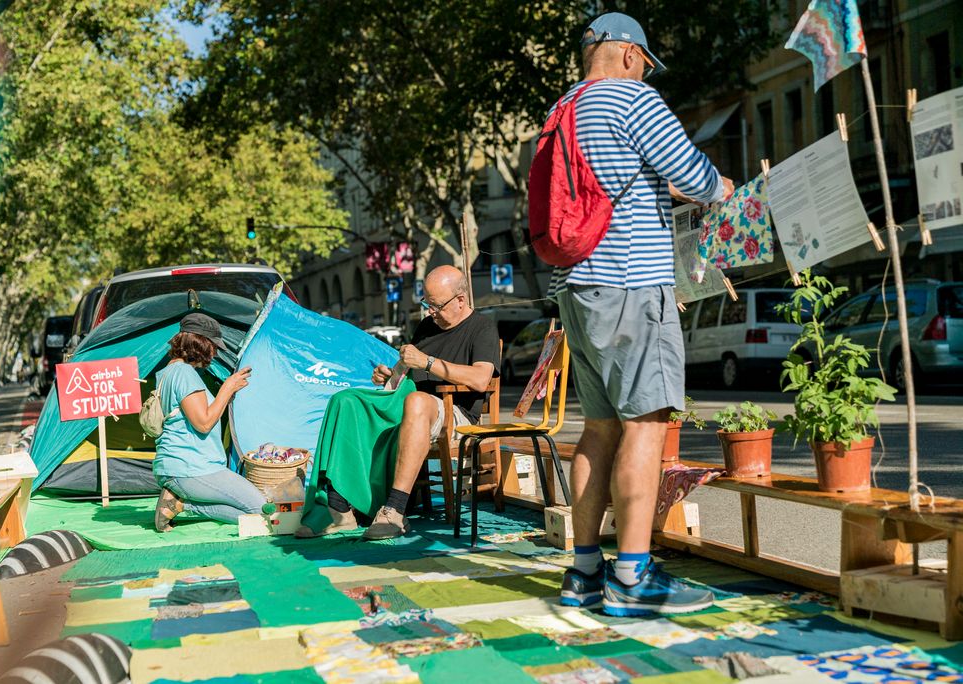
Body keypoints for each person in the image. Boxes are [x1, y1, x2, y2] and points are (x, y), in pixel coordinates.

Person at [547, 13, 735, 617]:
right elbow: (694, 174)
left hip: (576, 285)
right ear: (630, 55)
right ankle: (632, 575)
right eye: (647, 64)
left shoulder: (562, 109)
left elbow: (608, 182)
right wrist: (721, 187)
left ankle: (584, 573)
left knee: (599, 427)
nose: (647, 74)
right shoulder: (634, 99)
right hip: (629, 283)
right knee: (646, 426)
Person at [297, 265, 500, 540]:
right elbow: (407, 372)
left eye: (437, 306)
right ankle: (338, 509)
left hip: (455, 413)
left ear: (461, 300)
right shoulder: (427, 327)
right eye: (427, 304)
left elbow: (480, 378)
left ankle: (394, 510)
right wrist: (389, 375)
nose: (430, 312)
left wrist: (428, 362)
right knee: (345, 400)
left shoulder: (482, 327)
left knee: (416, 401)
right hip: (408, 405)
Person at [153, 313, 266, 531]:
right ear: (200, 343)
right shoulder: (185, 373)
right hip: (192, 467)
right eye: (213, 346)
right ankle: (182, 505)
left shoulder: (168, 372)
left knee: (254, 511)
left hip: (180, 466)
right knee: (261, 511)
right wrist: (227, 388)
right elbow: (203, 423)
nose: (214, 353)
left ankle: (179, 502)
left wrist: (226, 397)